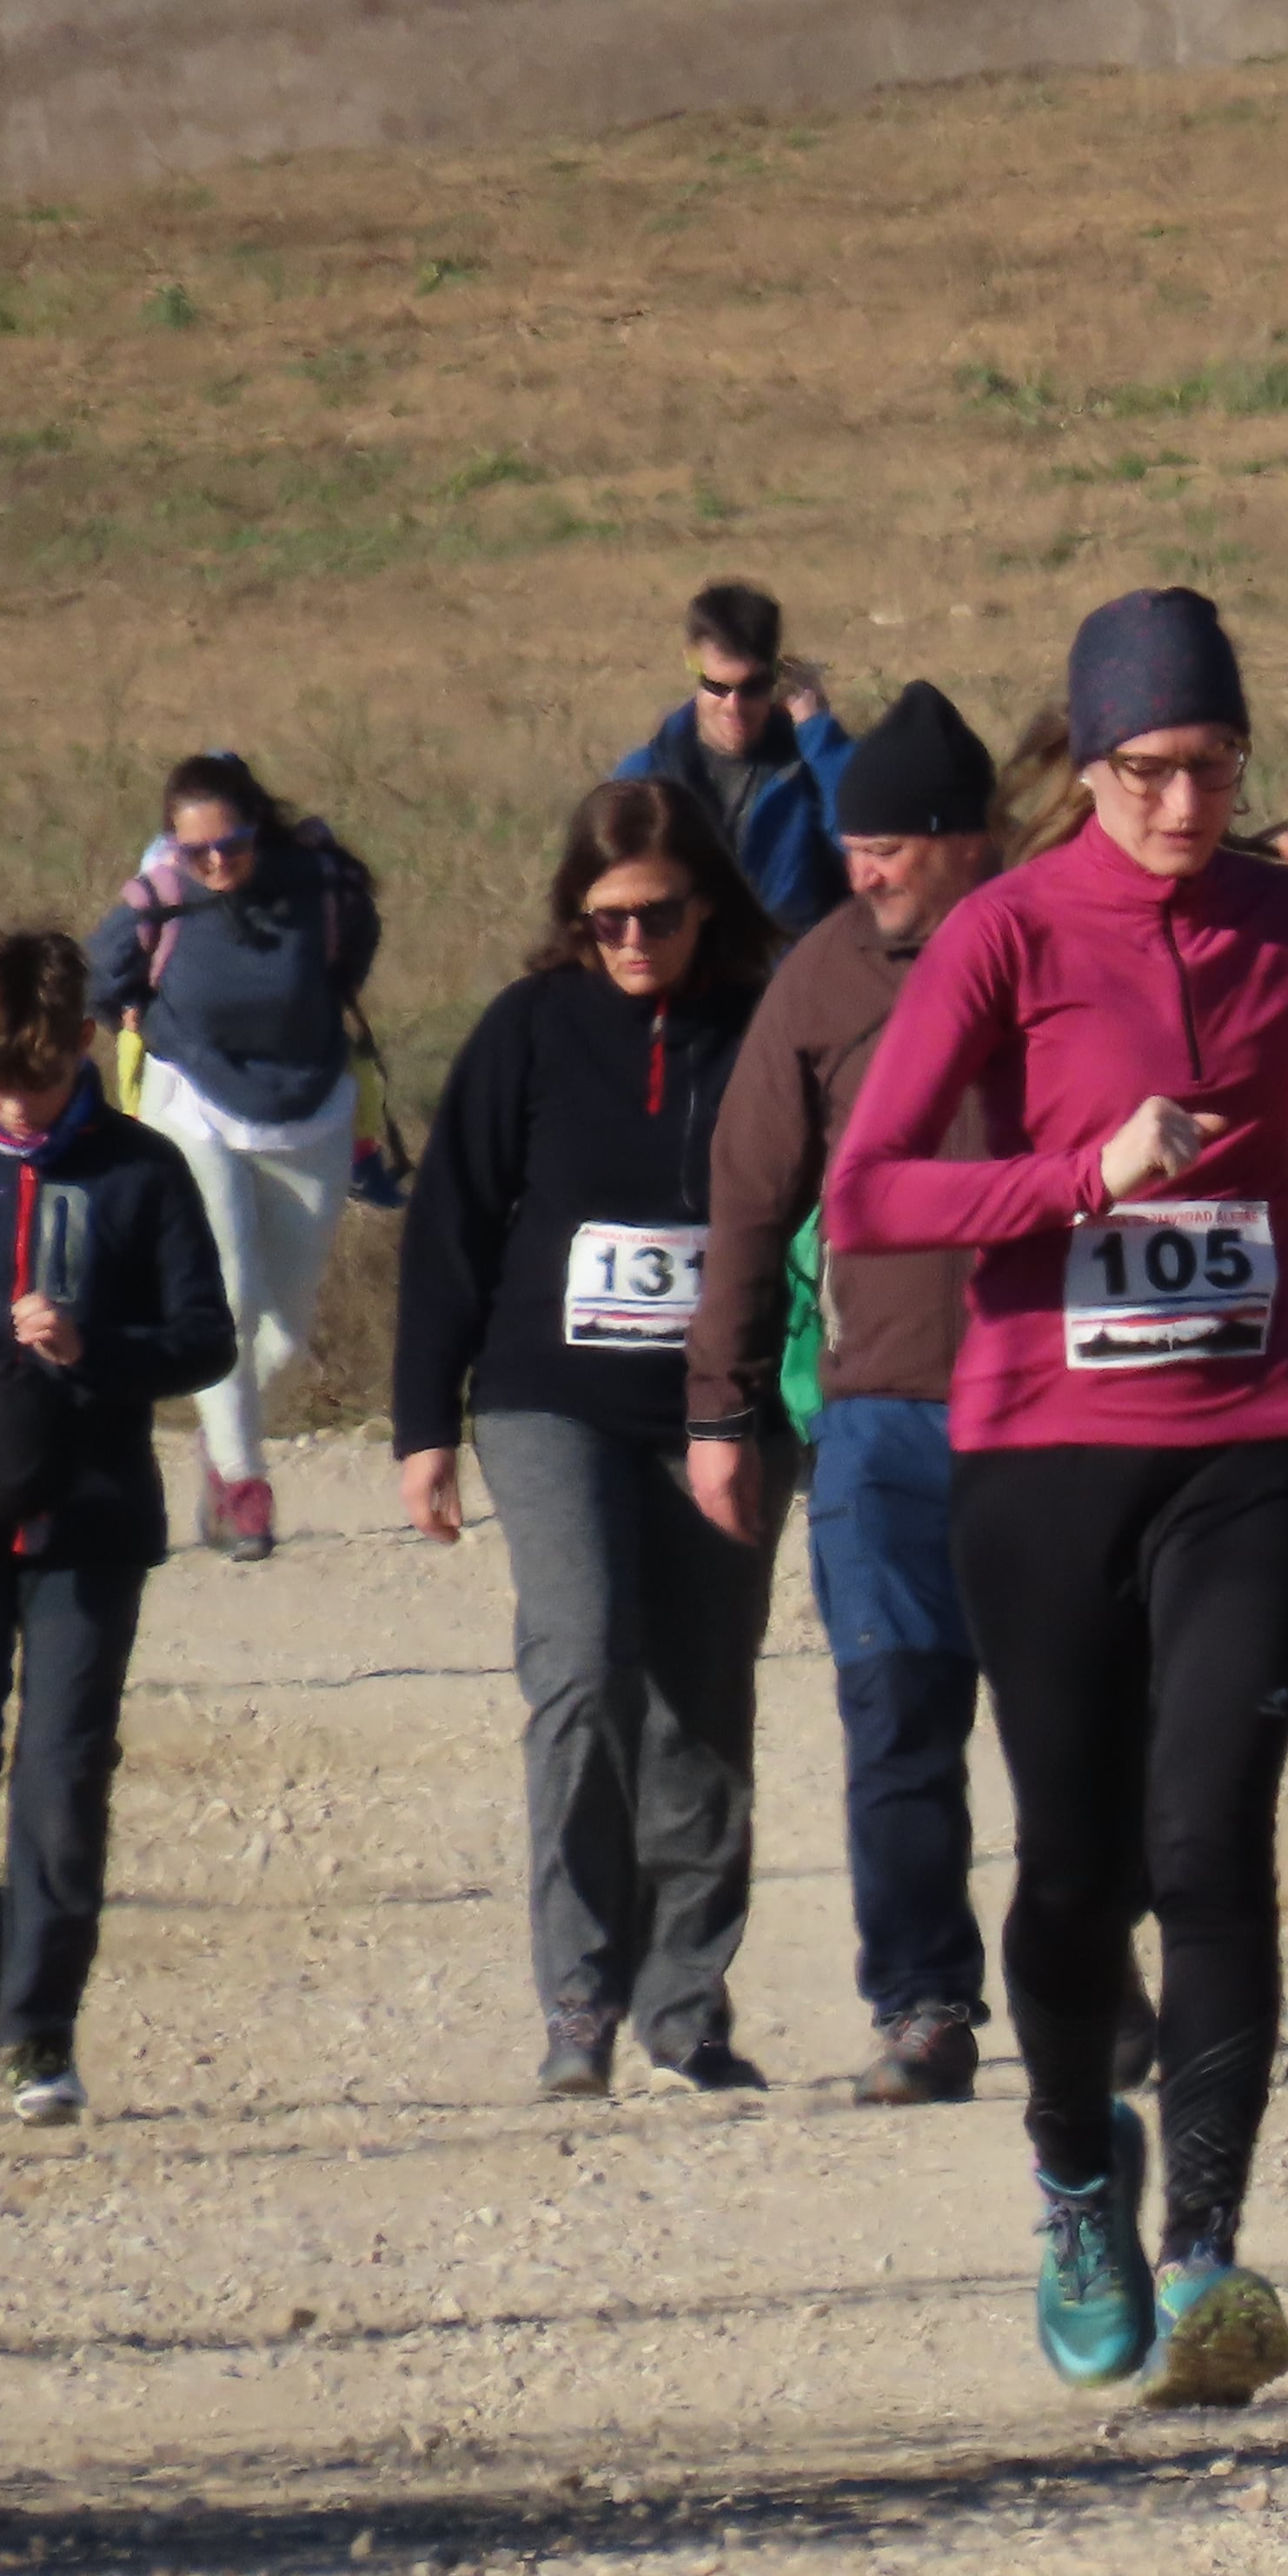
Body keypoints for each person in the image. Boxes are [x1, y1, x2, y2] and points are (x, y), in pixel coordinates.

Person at [828, 586, 1288, 2406]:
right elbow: (871, 1194)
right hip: (1042, 1456)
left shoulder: (1287, 920)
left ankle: (1203, 2251)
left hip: (1256, 1444)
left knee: (1208, 1842)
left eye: (1214, 772)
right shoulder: (1007, 932)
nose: (1187, 811)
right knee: (1069, 1873)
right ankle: (1069, 2177)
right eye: (1149, 776)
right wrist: (1074, 1179)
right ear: (1089, 766)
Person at [394, 779, 783, 2098]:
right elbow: (452, 1224)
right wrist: (420, 1425)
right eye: (602, 919)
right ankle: (577, 1994)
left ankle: (685, 2003)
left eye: (656, 916)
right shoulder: (531, 1029)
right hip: (547, 1399)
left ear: (707, 905)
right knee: (584, 1660)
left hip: (719, 1408)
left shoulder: (760, 1025)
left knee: (702, 1696)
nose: (628, 943)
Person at [0, 931, 236, 2127]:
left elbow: (205, 1336)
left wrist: (92, 1352)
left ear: (82, 1047)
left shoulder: (143, 1169)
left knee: (63, 1777)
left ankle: (40, 2030)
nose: (12, 1104)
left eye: (37, 1078)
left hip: (96, 1515)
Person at [681, 683, 1008, 2105]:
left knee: (1073, 1728)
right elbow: (749, 1204)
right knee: (895, 1714)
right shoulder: (819, 980)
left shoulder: (1052, 949)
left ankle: (1091, 1983)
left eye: (890, 845)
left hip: (1051, 1406)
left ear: (970, 843)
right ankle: (923, 2003)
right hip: (877, 1413)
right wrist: (722, 1410)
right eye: (852, 842)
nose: (861, 866)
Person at [83, 751, 382, 1564]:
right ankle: (247, 1485)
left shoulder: (317, 886)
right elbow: (101, 981)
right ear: (172, 848)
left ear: (261, 829)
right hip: (196, 1109)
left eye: (233, 845)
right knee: (234, 1297)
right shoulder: (162, 901)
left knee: (283, 1338)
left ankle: (220, 1454)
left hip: (309, 1113)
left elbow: (353, 949)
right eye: (195, 851)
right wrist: (156, 1032)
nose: (217, 863)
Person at [615, 581, 855, 939]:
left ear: (778, 676)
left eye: (753, 687)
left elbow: (867, 841)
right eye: (717, 687)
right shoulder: (646, 776)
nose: (735, 706)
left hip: (790, 978)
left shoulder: (812, 765)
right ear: (691, 663)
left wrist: (819, 732)